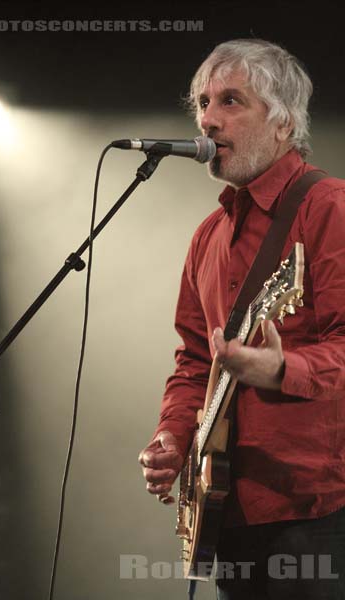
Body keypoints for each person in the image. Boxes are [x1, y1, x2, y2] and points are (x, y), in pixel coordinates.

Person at [138, 38, 345, 599]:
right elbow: (194, 361)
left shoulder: (327, 208)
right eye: (202, 103)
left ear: (284, 122)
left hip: (312, 509)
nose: (207, 120)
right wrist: (174, 436)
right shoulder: (208, 235)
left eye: (231, 101)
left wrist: (282, 369)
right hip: (226, 507)